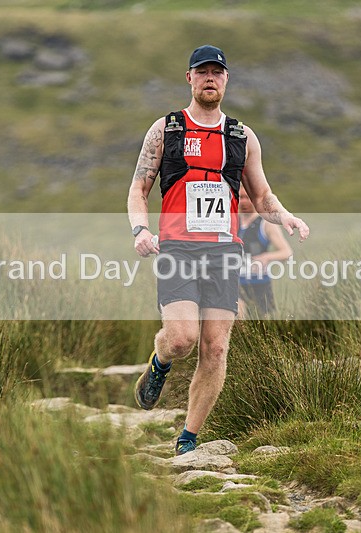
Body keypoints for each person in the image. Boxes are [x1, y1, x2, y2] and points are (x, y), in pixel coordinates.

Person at [126, 44, 310, 455]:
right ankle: (159, 362)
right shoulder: (167, 129)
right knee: (181, 339)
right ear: (189, 78)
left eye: (217, 72)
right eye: (202, 71)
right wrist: (140, 230)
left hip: (225, 252)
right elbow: (138, 188)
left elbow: (261, 196)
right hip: (177, 248)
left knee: (216, 347)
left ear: (226, 79)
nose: (210, 78)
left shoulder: (242, 136)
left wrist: (286, 217)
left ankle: (188, 439)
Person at [238, 187, 293, 317]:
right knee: (238, 318)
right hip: (235, 283)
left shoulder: (266, 223)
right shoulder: (232, 222)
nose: (244, 202)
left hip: (259, 284)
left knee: (262, 324)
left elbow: (287, 252)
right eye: (240, 197)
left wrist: (266, 257)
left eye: (248, 197)